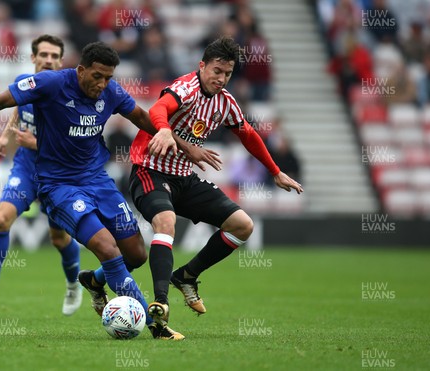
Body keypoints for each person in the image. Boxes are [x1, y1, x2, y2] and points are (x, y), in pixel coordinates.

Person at [0, 41, 212, 339]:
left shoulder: (110, 92)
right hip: (59, 186)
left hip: (97, 181)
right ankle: (155, 324)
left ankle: (94, 282)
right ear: (81, 70)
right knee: (107, 248)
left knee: (136, 254)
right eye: (97, 76)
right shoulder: (51, 84)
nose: (102, 84)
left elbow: (140, 116)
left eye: (108, 78)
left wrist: (184, 144)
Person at [125, 36, 302, 336]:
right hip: (151, 171)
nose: (221, 79)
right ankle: (160, 304)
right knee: (165, 223)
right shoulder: (186, 88)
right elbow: (157, 110)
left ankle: (187, 275)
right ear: (202, 66)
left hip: (185, 179)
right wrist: (167, 132)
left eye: (228, 74)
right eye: (217, 71)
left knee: (243, 226)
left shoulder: (225, 103)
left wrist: (275, 171)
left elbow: (248, 134)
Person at [0, 35, 83, 316]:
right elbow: (19, 108)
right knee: (1, 220)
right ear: (33, 58)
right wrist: (6, 136)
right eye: (44, 55)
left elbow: (73, 145)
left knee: (58, 239)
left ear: (62, 62)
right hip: (27, 167)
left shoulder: (69, 96)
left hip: (58, 173)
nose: (49, 60)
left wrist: (35, 143)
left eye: (54, 56)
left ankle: (73, 284)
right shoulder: (26, 82)